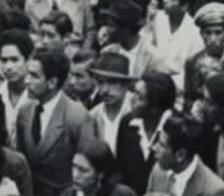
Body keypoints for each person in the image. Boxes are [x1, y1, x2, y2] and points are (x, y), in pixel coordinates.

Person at [17, 47, 96, 196]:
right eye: (28, 74)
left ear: (52, 82)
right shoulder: (24, 111)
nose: (27, 81)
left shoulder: (77, 116)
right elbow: (22, 161)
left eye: (34, 76)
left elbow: (86, 168)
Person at [114, 72, 176, 195]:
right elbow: (120, 168)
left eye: (140, 97)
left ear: (155, 108)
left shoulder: (175, 131)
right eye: (134, 92)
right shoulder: (127, 123)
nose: (132, 99)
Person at [148, 113, 224, 196]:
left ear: (180, 155)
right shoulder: (158, 171)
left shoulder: (215, 191)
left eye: (162, 145)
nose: (154, 147)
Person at [87, 53, 134, 153]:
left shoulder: (137, 112)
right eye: (101, 82)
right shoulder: (93, 115)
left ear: (126, 84)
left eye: (112, 82)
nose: (105, 90)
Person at [62, 139, 135, 196]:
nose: (75, 175)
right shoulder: (68, 194)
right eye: (74, 166)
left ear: (100, 174)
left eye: (83, 170)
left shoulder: (122, 194)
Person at [0, 30, 32, 141]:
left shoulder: (38, 95)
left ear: (28, 60)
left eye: (15, 60)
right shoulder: (1, 92)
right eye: (4, 60)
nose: (8, 67)